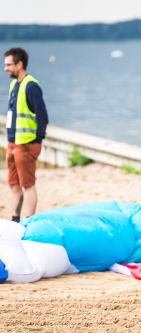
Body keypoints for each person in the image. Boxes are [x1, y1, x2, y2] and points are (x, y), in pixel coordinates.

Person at [3, 47, 48, 222]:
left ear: (19, 64)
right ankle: (15, 220)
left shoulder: (31, 87)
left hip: (27, 144)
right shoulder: (14, 84)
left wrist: (36, 142)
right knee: (13, 184)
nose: (5, 68)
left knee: (27, 185)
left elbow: (42, 117)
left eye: (8, 64)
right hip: (13, 143)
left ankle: (29, 222)